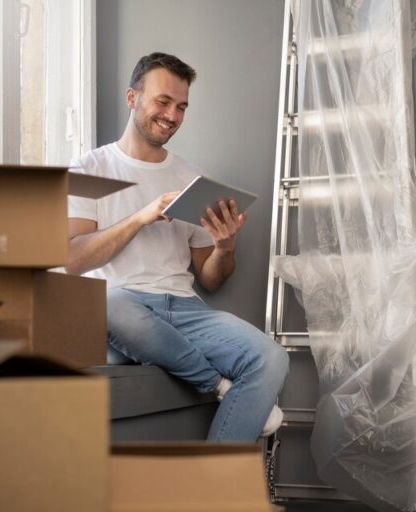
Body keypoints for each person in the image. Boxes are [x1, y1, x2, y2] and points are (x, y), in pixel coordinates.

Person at [65, 52, 288, 441]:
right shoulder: (88, 169)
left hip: (184, 311)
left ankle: (208, 492)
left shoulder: (191, 177)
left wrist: (225, 247)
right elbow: (72, 260)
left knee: (272, 358)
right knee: (106, 302)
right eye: (163, 102)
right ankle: (216, 385)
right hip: (122, 307)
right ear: (132, 98)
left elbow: (211, 279)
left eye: (181, 107)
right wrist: (141, 216)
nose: (172, 115)